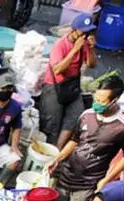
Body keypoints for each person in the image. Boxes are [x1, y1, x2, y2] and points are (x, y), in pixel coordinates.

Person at [49, 75, 124, 201]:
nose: (97, 104)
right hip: (66, 175)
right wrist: (57, 159)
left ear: (115, 100)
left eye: (102, 101)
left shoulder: (123, 127)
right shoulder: (86, 115)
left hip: (88, 183)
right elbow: (74, 141)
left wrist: (107, 179)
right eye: (96, 99)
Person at [39, 13, 97, 148]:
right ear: (74, 30)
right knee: (52, 122)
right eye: (83, 31)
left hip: (72, 85)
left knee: (76, 116)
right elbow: (57, 70)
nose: (86, 34)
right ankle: (48, 149)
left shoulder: (85, 43)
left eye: (89, 31)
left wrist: (91, 49)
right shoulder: (60, 45)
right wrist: (74, 50)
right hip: (54, 86)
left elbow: (92, 64)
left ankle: (58, 149)